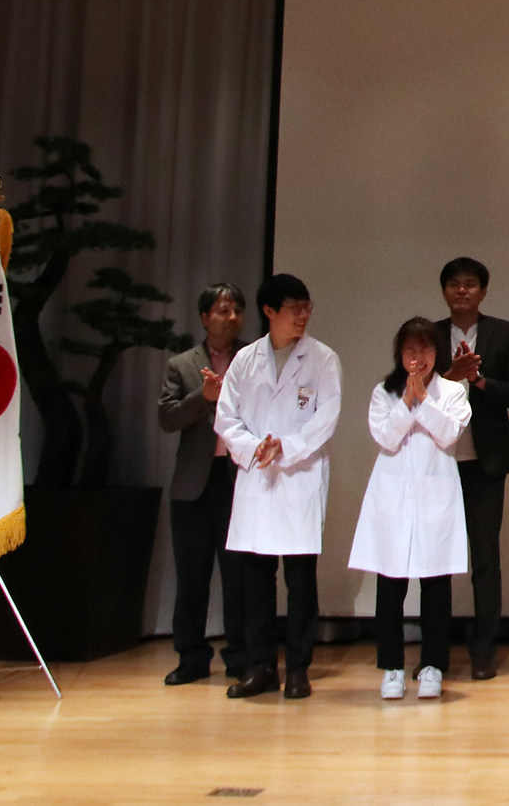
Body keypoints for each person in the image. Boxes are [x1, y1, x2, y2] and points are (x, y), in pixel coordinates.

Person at [215, 273, 342, 701]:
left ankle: (299, 669)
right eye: (294, 308)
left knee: (300, 579)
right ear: (270, 311)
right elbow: (226, 417)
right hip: (257, 475)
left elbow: (326, 417)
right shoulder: (245, 360)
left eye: (307, 307)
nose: (303, 315)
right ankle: (261, 667)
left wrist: (286, 446)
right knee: (256, 578)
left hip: (300, 474)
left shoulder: (322, 358)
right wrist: (254, 448)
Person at [349, 317, 472, 700]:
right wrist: (406, 402)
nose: (418, 357)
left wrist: (424, 402)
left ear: (437, 352)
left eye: (425, 348)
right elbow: (386, 437)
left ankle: (433, 665)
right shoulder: (384, 392)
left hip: (436, 493)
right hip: (392, 496)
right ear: (400, 354)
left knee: (435, 584)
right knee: (390, 583)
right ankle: (392, 668)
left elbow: (449, 434)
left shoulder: (453, 391)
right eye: (410, 350)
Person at [428, 257, 509, 679]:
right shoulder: (429, 335)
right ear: (444, 291)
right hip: (437, 461)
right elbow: (413, 391)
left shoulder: (504, 332)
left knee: (485, 556)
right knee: (434, 557)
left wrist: (479, 380)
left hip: (486, 460)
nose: (462, 291)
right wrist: (451, 376)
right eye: (454, 284)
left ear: (483, 291)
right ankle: (433, 653)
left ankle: (484, 649)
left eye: (471, 284)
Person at [157, 282, 250, 685]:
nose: (231, 318)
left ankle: (241, 657)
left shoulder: (253, 359)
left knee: (238, 576)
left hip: (239, 480)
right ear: (204, 317)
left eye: (237, 311)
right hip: (193, 483)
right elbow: (167, 418)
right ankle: (191, 657)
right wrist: (204, 396)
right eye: (223, 310)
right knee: (192, 576)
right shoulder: (181, 364)